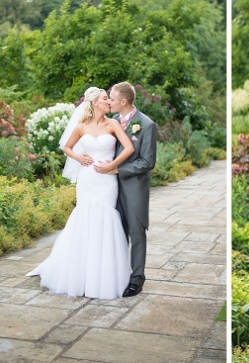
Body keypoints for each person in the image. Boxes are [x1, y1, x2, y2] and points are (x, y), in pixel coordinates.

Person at [26, 87, 135, 300]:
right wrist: (78, 157)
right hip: (87, 179)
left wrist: (112, 165)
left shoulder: (113, 124)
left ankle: (103, 275)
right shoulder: (81, 126)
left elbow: (129, 148)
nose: (109, 102)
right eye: (105, 98)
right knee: (84, 218)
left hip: (106, 181)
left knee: (105, 218)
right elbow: (66, 147)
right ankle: (80, 273)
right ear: (95, 103)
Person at [100, 82, 157, 297]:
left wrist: (118, 170)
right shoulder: (113, 121)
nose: (109, 102)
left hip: (134, 188)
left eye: (112, 99)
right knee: (117, 232)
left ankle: (137, 279)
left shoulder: (146, 124)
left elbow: (148, 162)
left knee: (136, 232)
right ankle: (120, 274)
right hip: (111, 188)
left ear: (123, 101)